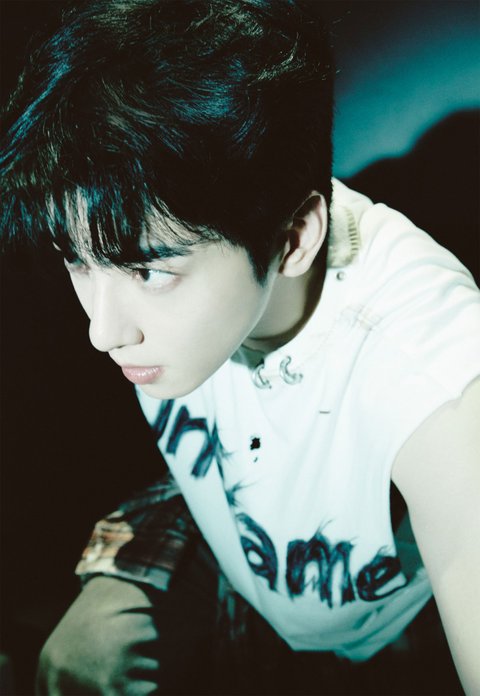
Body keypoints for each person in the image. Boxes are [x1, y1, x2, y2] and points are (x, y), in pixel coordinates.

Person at [1, 1, 479, 694]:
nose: (104, 332)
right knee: (75, 664)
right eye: (76, 260)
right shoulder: (164, 227)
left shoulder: (433, 372)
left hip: (380, 636)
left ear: (295, 238)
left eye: (148, 273)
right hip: (232, 534)